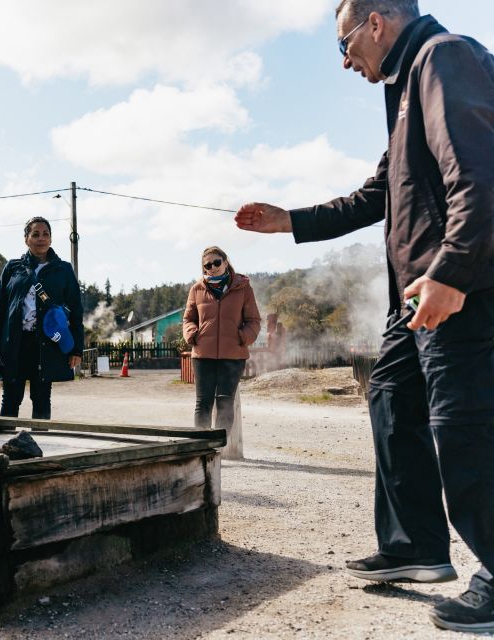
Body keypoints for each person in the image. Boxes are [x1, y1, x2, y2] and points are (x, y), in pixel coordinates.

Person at [235, 1, 494, 632]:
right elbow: (378, 195)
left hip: (457, 285)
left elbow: (482, 178)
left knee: (464, 430)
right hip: (417, 293)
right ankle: (416, 546)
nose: (346, 61)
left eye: (344, 45)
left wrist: (453, 274)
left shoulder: (444, 58)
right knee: (391, 398)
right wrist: (290, 221)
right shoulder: (404, 88)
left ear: (375, 23)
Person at [0, 216, 83, 419]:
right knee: (11, 397)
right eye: (35, 234)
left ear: (51, 238)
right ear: (26, 239)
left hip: (46, 343)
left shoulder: (63, 269)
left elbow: (76, 310)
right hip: (15, 342)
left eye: (46, 234)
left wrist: (76, 348)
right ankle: (7, 443)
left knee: (41, 397)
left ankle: (43, 444)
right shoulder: (13, 268)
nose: (41, 238)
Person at [182, 247, 261, 430]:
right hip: (203, 355)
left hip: (233, 355)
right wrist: (193, 334)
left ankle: (219, 449)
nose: (213, 267)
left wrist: (243, 337)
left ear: (225, 262)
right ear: (204, 268)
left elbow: (254, 320)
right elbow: (188, 319)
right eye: (208, 265)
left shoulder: (243, 287)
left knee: (225, 403)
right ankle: (202, 448)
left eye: (217, 262)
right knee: (203, 403)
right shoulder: (196, 289)